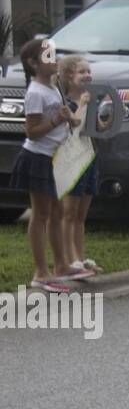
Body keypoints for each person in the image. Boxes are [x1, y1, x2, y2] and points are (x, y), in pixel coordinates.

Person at [11, 39, 85, 292]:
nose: (55, 59)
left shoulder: (52, 88)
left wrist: (68, 121)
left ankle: (61, 265)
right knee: (40, 214)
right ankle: (40, 272)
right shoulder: (35, 92)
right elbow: (32, 132)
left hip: (53, 157)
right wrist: (56, 121)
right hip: (37, 159)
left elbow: (60, 118)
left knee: (55, 213)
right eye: (49, 56)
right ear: (33, 63)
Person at [57, 55, 108, 276]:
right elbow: (73, 125)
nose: (87, 76)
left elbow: (95, 128)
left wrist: (109, 120)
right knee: (68, 213)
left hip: (89, 158)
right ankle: (68, 259)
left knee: (80, 215)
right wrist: (84, 104)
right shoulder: (65, 104)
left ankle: (80, 256)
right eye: (82, 72)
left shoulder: (89, 101)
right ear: (69, 76)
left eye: (89, 72)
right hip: (72, 159)